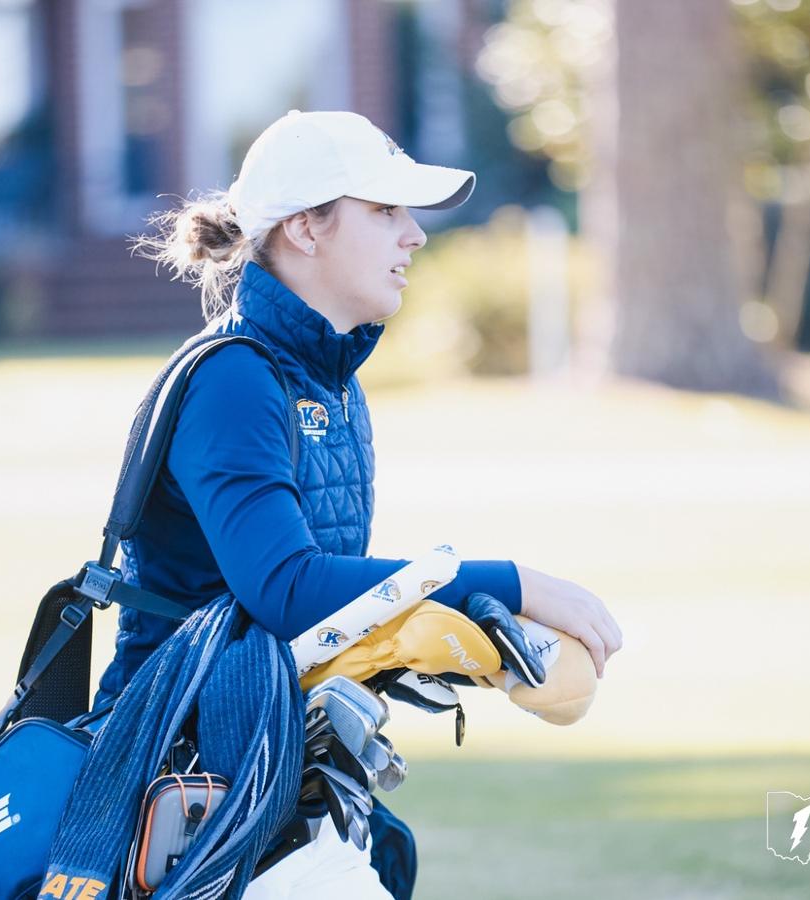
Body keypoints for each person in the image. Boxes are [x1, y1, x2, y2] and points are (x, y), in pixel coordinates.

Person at [98, 110, 622, 898]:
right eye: (385, 212)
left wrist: (449, 628)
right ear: (306, 229)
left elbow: (321, 610)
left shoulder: (328, 383)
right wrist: (511, 582)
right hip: (177, 788)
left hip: (268, 775)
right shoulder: (235, 380)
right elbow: (286, 589)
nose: (413, 235)